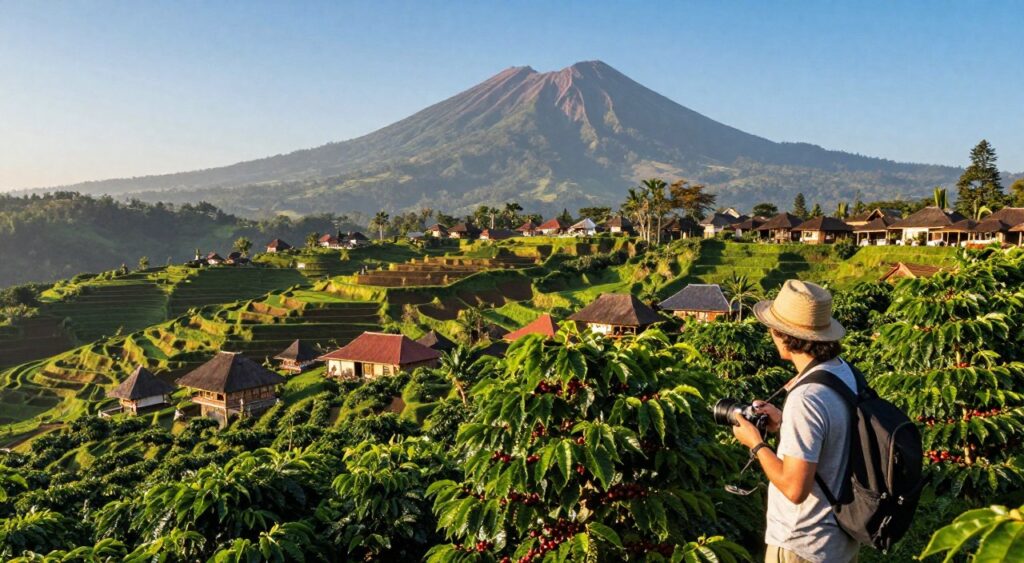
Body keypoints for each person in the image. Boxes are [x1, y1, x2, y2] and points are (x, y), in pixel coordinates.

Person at [730, 280, 860, 563]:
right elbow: (832, 437)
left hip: (803, 544)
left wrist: (756, 444)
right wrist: (784, 424)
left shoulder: (807, 397)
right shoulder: (843, 373)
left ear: (781, 334)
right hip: (839, 540)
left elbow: (794, 489)